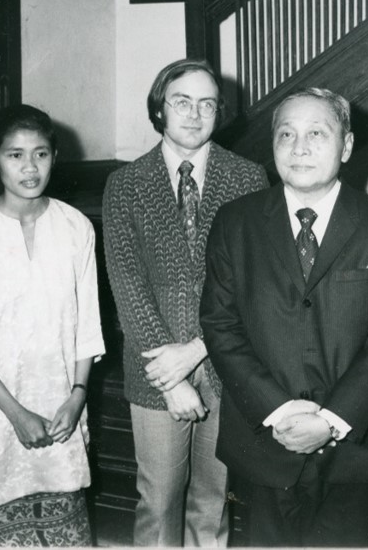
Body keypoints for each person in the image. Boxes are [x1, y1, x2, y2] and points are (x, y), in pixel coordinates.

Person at [200, 87, 368, 547]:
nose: (299, 148)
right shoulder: (234, 223)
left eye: (317, 133)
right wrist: (278, 411)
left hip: (356, 453)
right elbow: (220, 325)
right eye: (286, 134)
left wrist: (332, 420)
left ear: (348, 146)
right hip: (263, 446)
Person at [103, 59, 267, 547]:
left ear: (220, 113)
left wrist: (198, 349)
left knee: (212, 502)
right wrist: (170, 376)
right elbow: (127, 283)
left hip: (225, 363)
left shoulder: (248, 177)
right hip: (154, 369)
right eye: (181, 101)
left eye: (207, 103)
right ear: (160, 109)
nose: (194, 114)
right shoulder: (126, 184)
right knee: (159, 501)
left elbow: (252, 282)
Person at [0, 104, 105, 546]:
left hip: (60, 405)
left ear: (54, 156)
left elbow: (86, 323)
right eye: (15, 155)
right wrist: (15, 413)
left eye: (41, 153)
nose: (30, 167)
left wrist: (77, 396)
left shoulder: (75, 227)